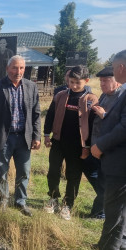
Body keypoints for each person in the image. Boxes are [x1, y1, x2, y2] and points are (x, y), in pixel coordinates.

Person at [0, 55, 41, 217]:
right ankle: (3, 198)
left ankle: (20, 201)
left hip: (24, 138)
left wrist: (37, 136)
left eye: (21, 68)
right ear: (8, 68)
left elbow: (36, 114)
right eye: (15, 68)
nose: (18, 71)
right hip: (3, 137)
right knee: (1, 170)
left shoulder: (31, 87)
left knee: (24, 171)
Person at [43, 65, 98, 220]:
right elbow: (50, 115)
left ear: (86, 81)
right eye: (71, 81)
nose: (73, 86)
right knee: (53, 171)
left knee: (73, 175)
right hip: (58, 141)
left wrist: (87, 146)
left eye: (77, 83)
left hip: (78, 146)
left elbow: (94, 125)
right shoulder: (60, 95)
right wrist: (47, 134)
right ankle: (53, 197)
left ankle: (67, 204)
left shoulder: (91, 99)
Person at [91, 50, 126, 250]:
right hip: (116, 162)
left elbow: (124, 127)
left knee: (115, 213)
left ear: (121, 68)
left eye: (113, 68)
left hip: (120, 165)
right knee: (117, 212)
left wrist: (100, 145)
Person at [88, 66, 121, 219]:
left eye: (106, 80)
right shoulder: (105, 95)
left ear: (118, 81)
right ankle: (101, 209)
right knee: (99, 178)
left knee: (104, 182)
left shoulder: (122, 97)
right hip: (98, 146)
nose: (102, 84)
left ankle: (100, 212)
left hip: (111, 148)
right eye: (101, 81)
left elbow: (122, 125)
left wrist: (104, 115)